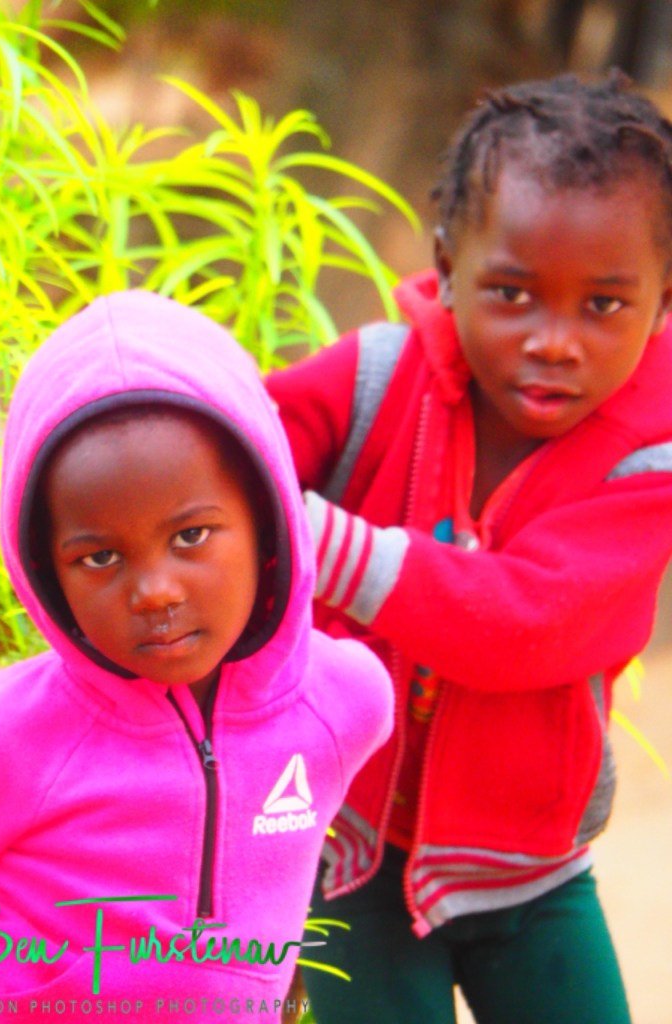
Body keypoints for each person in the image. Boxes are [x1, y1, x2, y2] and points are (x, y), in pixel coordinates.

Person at [266, 71, 672, 1024]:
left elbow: (522, 624)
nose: (554, 341)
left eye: (603, 305)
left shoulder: (648, 466)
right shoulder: (376, 377)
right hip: (348, 852)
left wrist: (316, 539)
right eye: (513, 292)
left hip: (530, 872)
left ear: (662, 302)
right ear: (447, 267)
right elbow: (241, 451)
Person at [0, 292, 393, 1022]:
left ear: (267, 519)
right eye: (100, 557)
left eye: (192, 537)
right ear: (45, 571)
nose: (155, 592)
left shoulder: (344, 703)